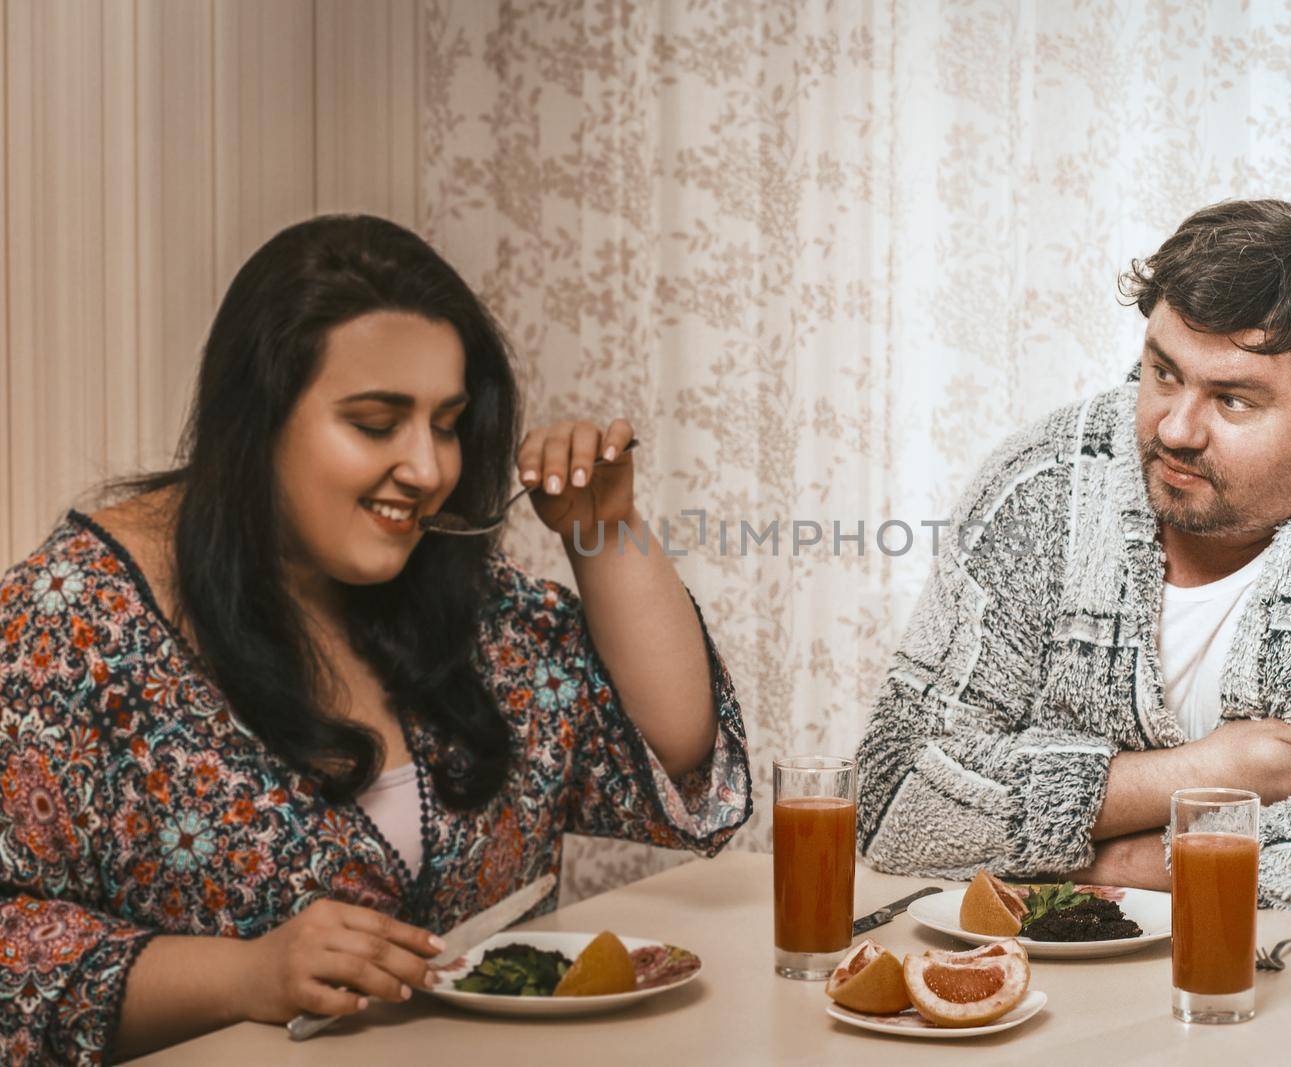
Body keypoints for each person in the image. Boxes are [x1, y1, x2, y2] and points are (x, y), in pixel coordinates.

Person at [0, 215, 751, 1063]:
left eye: (447, 422)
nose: (428, 468)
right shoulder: (75, 620)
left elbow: (677, 749)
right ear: (255, 422)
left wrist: (604, 531)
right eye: (375, 422)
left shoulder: (459, 590)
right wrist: (243, 975)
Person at [855, 199, 1291, 920]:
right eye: (1163, 373)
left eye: (1234, 401)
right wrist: (1202, 774)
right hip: (1070, 1000)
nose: (1176, 429)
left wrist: (1111, 862)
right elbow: (893, 794)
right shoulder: (1049, 478)